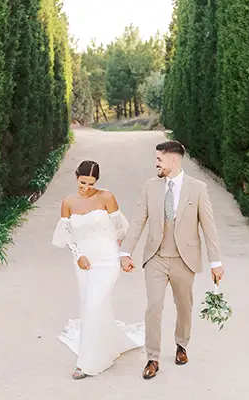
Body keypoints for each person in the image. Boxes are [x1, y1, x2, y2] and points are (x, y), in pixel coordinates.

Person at [120, 140, 224, 380]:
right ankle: (152, 358)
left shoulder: (197, 189)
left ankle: (181, 345)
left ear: (173, 160)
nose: (156, 163)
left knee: (184, 307)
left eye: (159, 159)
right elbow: (138, 221)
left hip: (184, 259)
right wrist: (126, 252)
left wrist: (215, 261)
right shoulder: (150, 187)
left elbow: (209, 227)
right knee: (154, 307)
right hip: (155, 257)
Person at [52, 160, 144, 379]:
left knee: (94, 305)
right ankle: (104, 344)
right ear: (76, 177)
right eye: (83, 182)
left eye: (91, 183)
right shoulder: (68, 202)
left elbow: (121, 231)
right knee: (90, 306)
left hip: (107, 259)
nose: (86, 187)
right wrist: (78, 255)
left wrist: (124, 257)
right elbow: (67, 235)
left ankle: (86, 364)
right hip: (83, 262)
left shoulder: (106, 197)